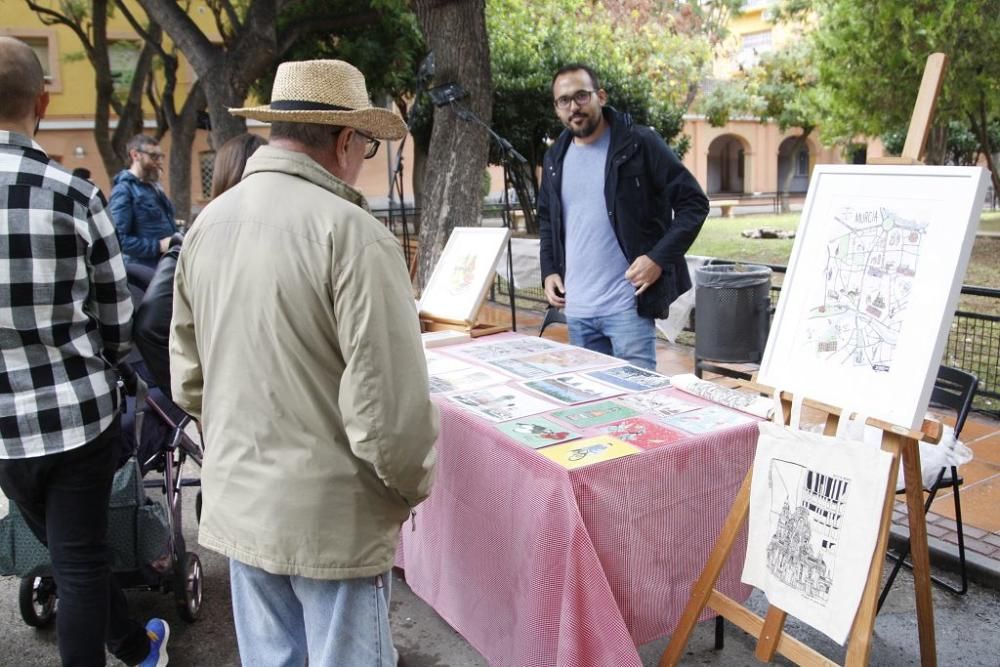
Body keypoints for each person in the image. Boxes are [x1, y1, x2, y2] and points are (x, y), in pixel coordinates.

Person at [170, 59, 438, 666]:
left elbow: (188, 381)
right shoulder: (354, 235)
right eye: (367, 145)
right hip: (332, 520)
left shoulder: (207, 225)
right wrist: (409, 490)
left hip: (241, 503)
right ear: (346, 140)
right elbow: (388, 416)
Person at [0, 36, 169, 667]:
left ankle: (133, 644)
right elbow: (117, 323)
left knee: (69, 558)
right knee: (78, 566)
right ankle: (133, 645)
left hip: (5, 434)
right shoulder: (74, 194)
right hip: (76, 418)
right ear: (42, 102)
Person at [538, 64, 709, 370]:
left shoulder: (640, 144)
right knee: (593, 403)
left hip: (627, 307)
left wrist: (658, 258)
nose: (573, 107)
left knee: (639, 400)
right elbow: (548, 219)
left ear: (600, 96)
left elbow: (694, 203)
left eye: (581, 96)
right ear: (557, 108)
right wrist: (549, 268)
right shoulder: (554, 158)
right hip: (577, 308)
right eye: (564, 100)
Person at [133, 132, 267, 392]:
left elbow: (151, 326)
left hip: (242, 397)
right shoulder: (194, 243)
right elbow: (151, 326)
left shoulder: (197, 241)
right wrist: (195, 400)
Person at [109, 134, 180, 268]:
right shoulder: (123, 190)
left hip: (164, 265)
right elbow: (118, 239)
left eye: (161, 156)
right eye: (153, 156)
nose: (159, 161)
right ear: (135, 155)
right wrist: (158, 246)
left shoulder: (154, 187)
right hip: (142, 271)